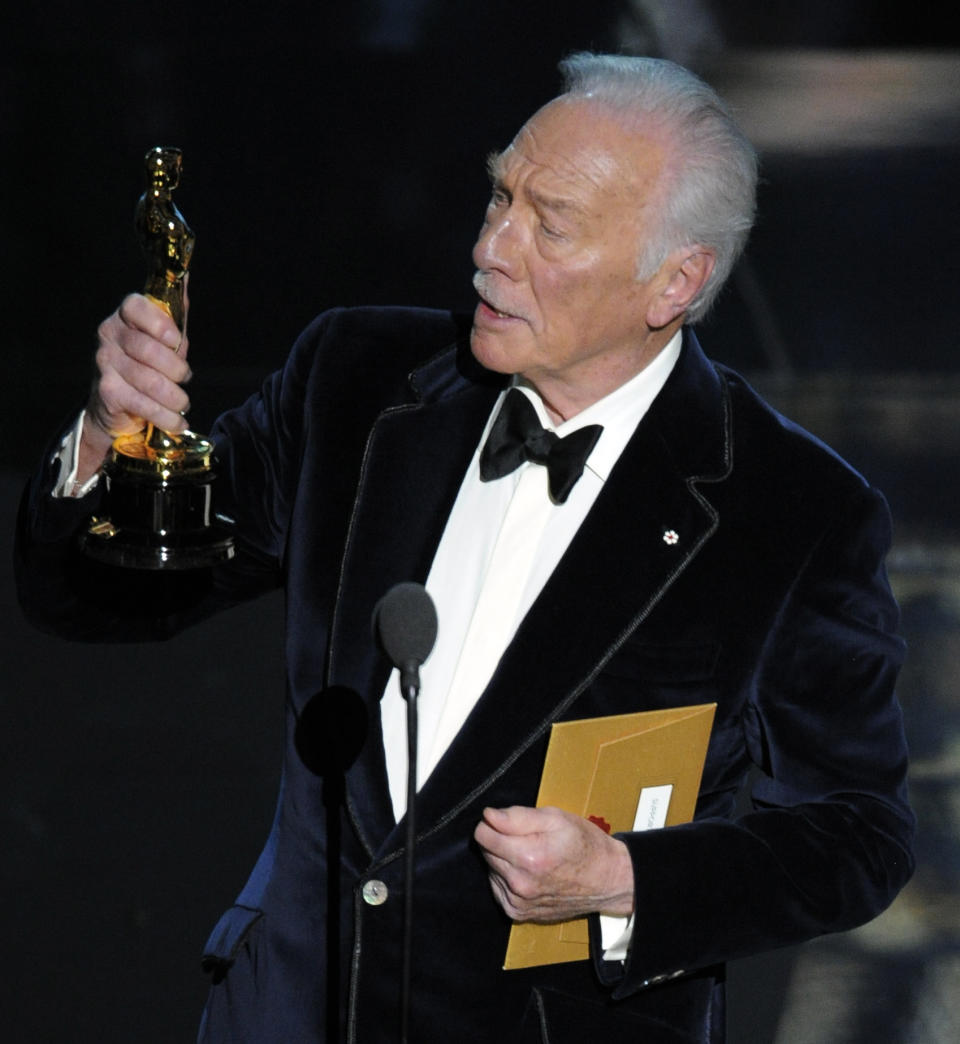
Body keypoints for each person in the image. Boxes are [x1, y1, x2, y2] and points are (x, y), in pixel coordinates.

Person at [16, 53, 914, 1043]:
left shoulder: (793, 511)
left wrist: (624, 882)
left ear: (677, 281)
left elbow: (858, 837)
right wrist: (111, 440)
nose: (491, 248)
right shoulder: (354, 382)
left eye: (551, 224)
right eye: (499, 196)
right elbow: (96, 597)